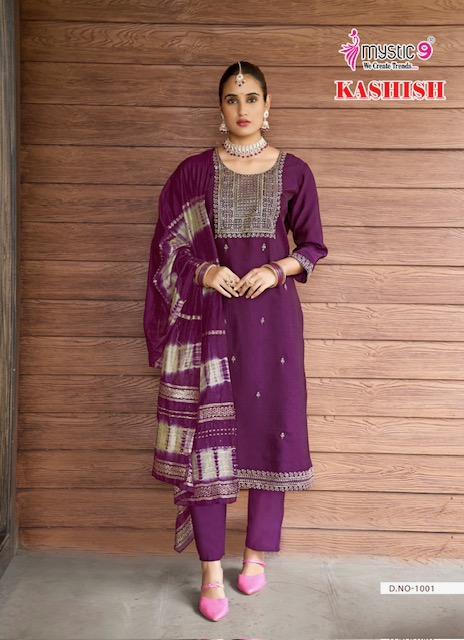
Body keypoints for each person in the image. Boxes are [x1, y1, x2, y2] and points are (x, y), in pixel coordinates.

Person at [143, 60, 328, 622]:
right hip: (212, 323)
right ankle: (208, 571)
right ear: (219, 108)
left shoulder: (295, 172)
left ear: (268, 106)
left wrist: (276, 269)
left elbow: (312, 247)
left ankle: (255, 557)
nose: (242, 109)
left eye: (251, 98)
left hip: (274, 322)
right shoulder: (193, 173)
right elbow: (168, 247)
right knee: (209, 438)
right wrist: (204, 271)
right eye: (231, 98)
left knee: (273, 427)